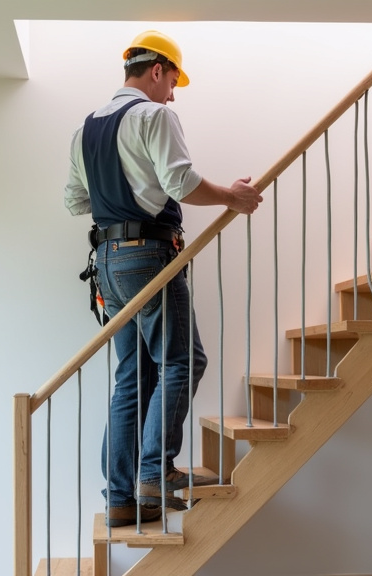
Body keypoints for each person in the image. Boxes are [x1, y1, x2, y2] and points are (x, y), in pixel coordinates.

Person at [64, 30, 263, 527]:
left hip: (106, 263)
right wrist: (231, 198)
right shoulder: (155, 115)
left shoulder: (85, 129)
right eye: (173, 80)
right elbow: (180, 181)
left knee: (132, 374)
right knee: (182, 359)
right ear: (157, 70)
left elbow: (75, 201)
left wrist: (118, 200)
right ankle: (155, 472)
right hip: (147, 254)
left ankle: (119, 497)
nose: (173, 92)